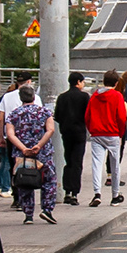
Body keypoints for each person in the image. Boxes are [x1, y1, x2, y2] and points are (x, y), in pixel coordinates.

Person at [5, 85, 57, 225]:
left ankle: (28, 214)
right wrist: (39, 145)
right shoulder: (45, 112)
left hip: (23, 155)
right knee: (49, 180)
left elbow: (10, 134)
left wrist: (23, 148)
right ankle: (47, 209)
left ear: (20, 98)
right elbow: (50, 130)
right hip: (43, 152)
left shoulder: (14, 114)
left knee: (25, 181)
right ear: (34, 96)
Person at [85, 69, 127, 207]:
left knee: (96, 163)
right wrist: (121, 133)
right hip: (113, 134)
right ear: (116, 83)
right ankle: (115, 195)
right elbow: (121, 117)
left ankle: (97, 193)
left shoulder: (94, 96)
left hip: (97, 133)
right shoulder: (117, 96)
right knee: (115, 165)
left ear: (103, 81)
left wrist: (91, 129)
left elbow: (87, 115)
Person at [53, 72, 90, 207]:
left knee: (68, 160)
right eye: (83, 82)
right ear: (79, 82)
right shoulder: (84, 97)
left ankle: (67, 191)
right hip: (79, 133)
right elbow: (88, 114)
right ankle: (74, 192)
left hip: (66, 132)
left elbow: (57, 116)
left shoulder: (62, 97)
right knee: (77, 162)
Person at [0, 75, 36, 210]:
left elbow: (1, 118)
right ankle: (28, 197)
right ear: (28, 82)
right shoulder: (35, 97)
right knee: (31, 167)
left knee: (14, 166)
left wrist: (2, 137)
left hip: (13, 138)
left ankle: (16, 196)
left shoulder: (7, 96)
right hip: (32, 140)